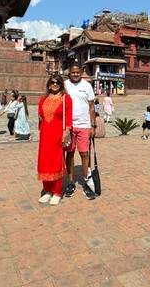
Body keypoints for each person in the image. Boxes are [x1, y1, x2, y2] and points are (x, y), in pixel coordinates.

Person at [37, 75, 72, 205]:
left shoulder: (66, 99)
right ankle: (47, 190)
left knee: (57, 162)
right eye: (52, 82)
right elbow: (40, 116)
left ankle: (57, 192)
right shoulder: (43, 98)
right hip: (45, 135)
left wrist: (66, 132)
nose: (55, 84)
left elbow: (68, 117)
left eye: (57, 82)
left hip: (58, 135)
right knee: (44, 161)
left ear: (61, 84)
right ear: (49, 84)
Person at [64, 64, 97, 200]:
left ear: (81, 73)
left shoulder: (87, 86)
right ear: (69, 73)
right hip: (69, 126)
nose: (76, 74)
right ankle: (71, 182)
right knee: (70, 153)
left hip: (84, 125)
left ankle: (86, 182)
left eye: (78, 72)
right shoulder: (65, 85)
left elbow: (91, 106)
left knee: (84, 154)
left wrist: (93, 125)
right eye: (73, 72)